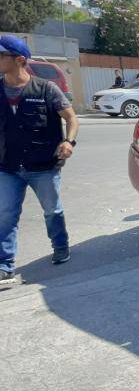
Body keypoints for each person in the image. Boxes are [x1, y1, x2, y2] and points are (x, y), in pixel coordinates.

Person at [0, 35, 79, 284]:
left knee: (52, 211)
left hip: (42, 165)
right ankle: (5, 263)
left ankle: (60, 246)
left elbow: (71, 118)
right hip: (7, 166)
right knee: (5, 215)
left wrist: (68, 141)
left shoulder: (46, 88)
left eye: (1, 56)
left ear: (19, 59)